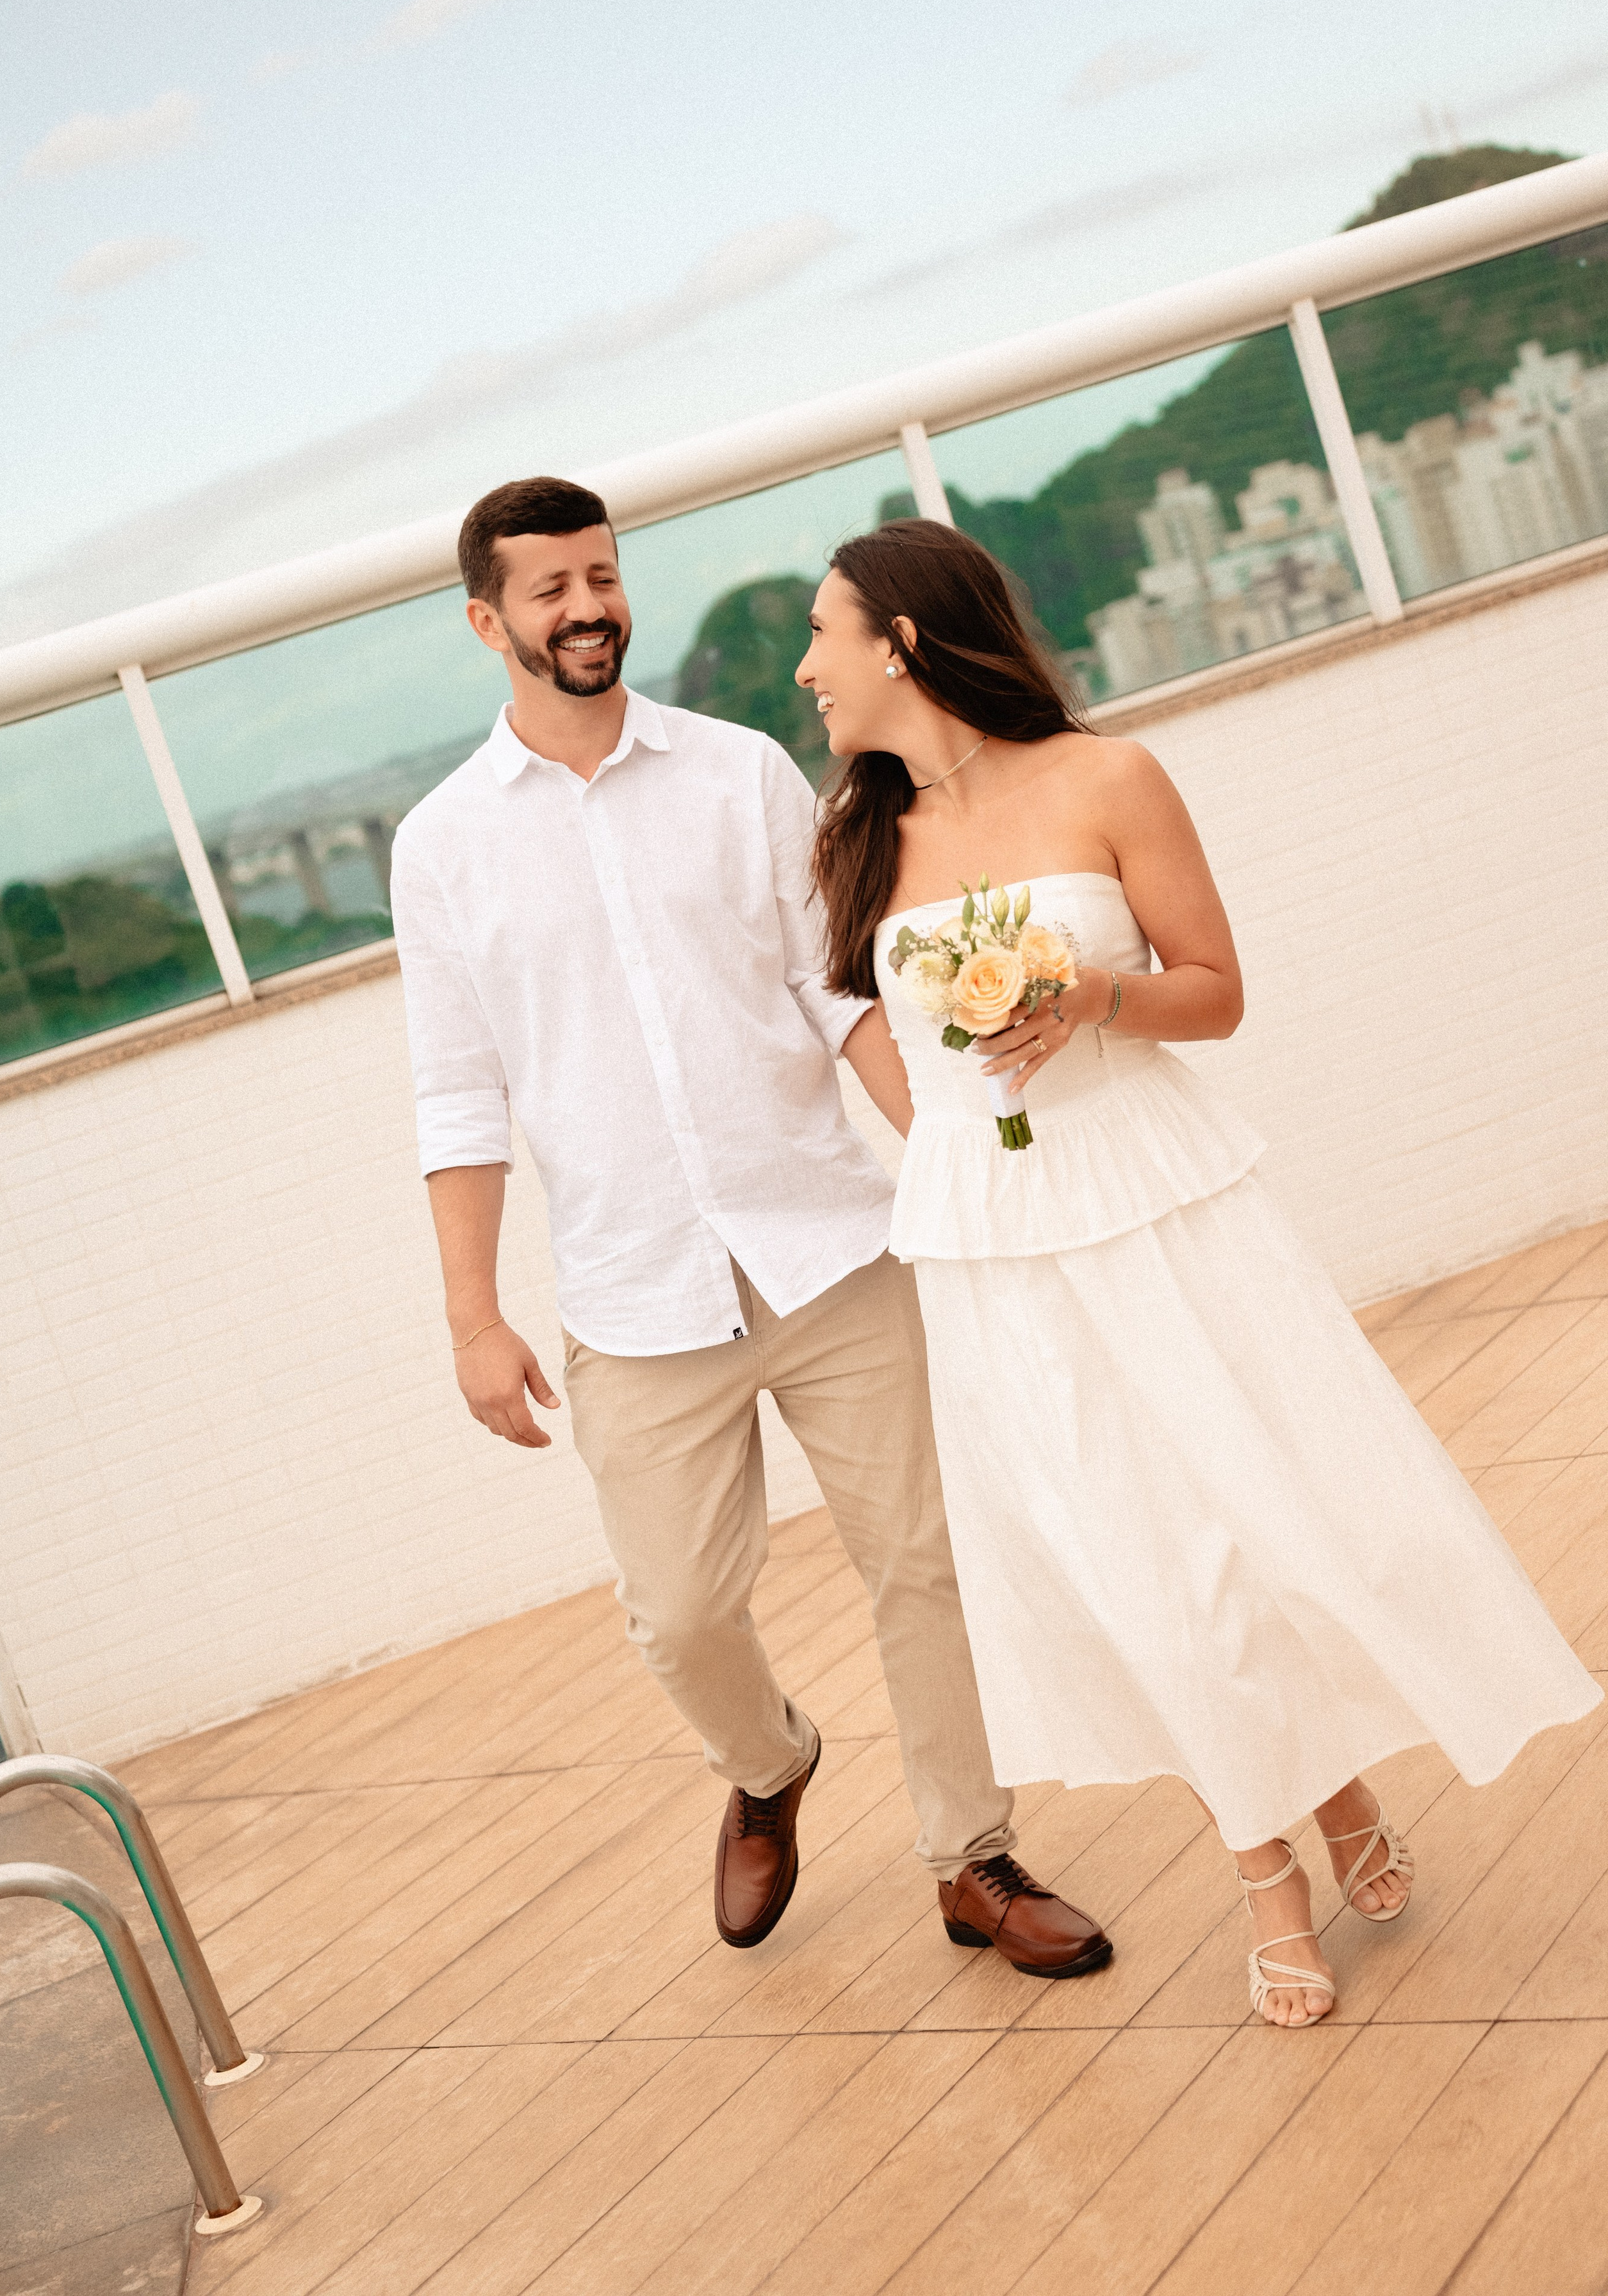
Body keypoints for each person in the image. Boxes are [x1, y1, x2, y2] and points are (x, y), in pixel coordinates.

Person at [796, 515, 1602, 2029]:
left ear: (900, 641)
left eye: (822, 631)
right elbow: (889, 1054)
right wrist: (956, 1164)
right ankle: (1269, 1871)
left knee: (1251, 1522)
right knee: (1135, 1570)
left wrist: (1089, 998)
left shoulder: (1109, 778)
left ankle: (1336, 1789)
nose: (803, 667)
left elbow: (1214, 992)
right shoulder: (852, 845)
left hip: (1158, 1204)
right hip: (990, 1247)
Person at [388, 476, 1111, 1978]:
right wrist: (470, 1316)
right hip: (631, 1294)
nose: (587, 607)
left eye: (600, 575)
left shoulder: (739, 773)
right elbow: (458, 1094)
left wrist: (956, 1161)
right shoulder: (442, 846)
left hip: (829, 1245)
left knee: (923, 1563)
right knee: (675, 1613)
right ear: (483, 621)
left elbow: (836, 995)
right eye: (549, 588)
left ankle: (968, 1857)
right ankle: (770, 1763)